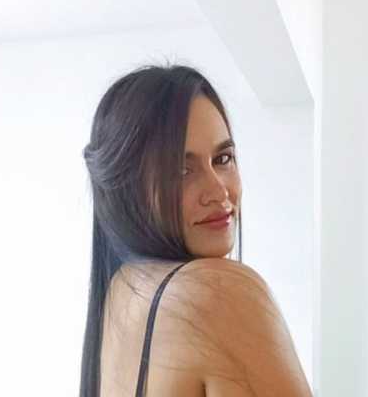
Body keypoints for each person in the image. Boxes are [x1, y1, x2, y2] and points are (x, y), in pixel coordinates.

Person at [79, 63, 312, 396]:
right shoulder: (221, 293)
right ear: (127, 189)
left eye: (223, 158)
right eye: (181, 171)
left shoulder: (124, 287)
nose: (218, 192)